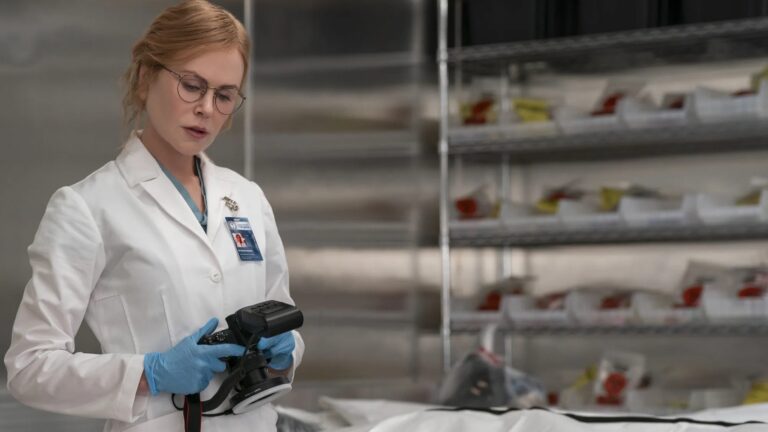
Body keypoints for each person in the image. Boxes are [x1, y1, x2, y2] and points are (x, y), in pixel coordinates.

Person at [3, 1, 304, 431]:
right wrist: (150, 372)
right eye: (192, 86)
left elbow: (283, 318)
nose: (206, 108)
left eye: (224, 96)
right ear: (146, 78)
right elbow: (29, 367)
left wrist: (287, 349)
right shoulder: (87, 207)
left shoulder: (248, 198)